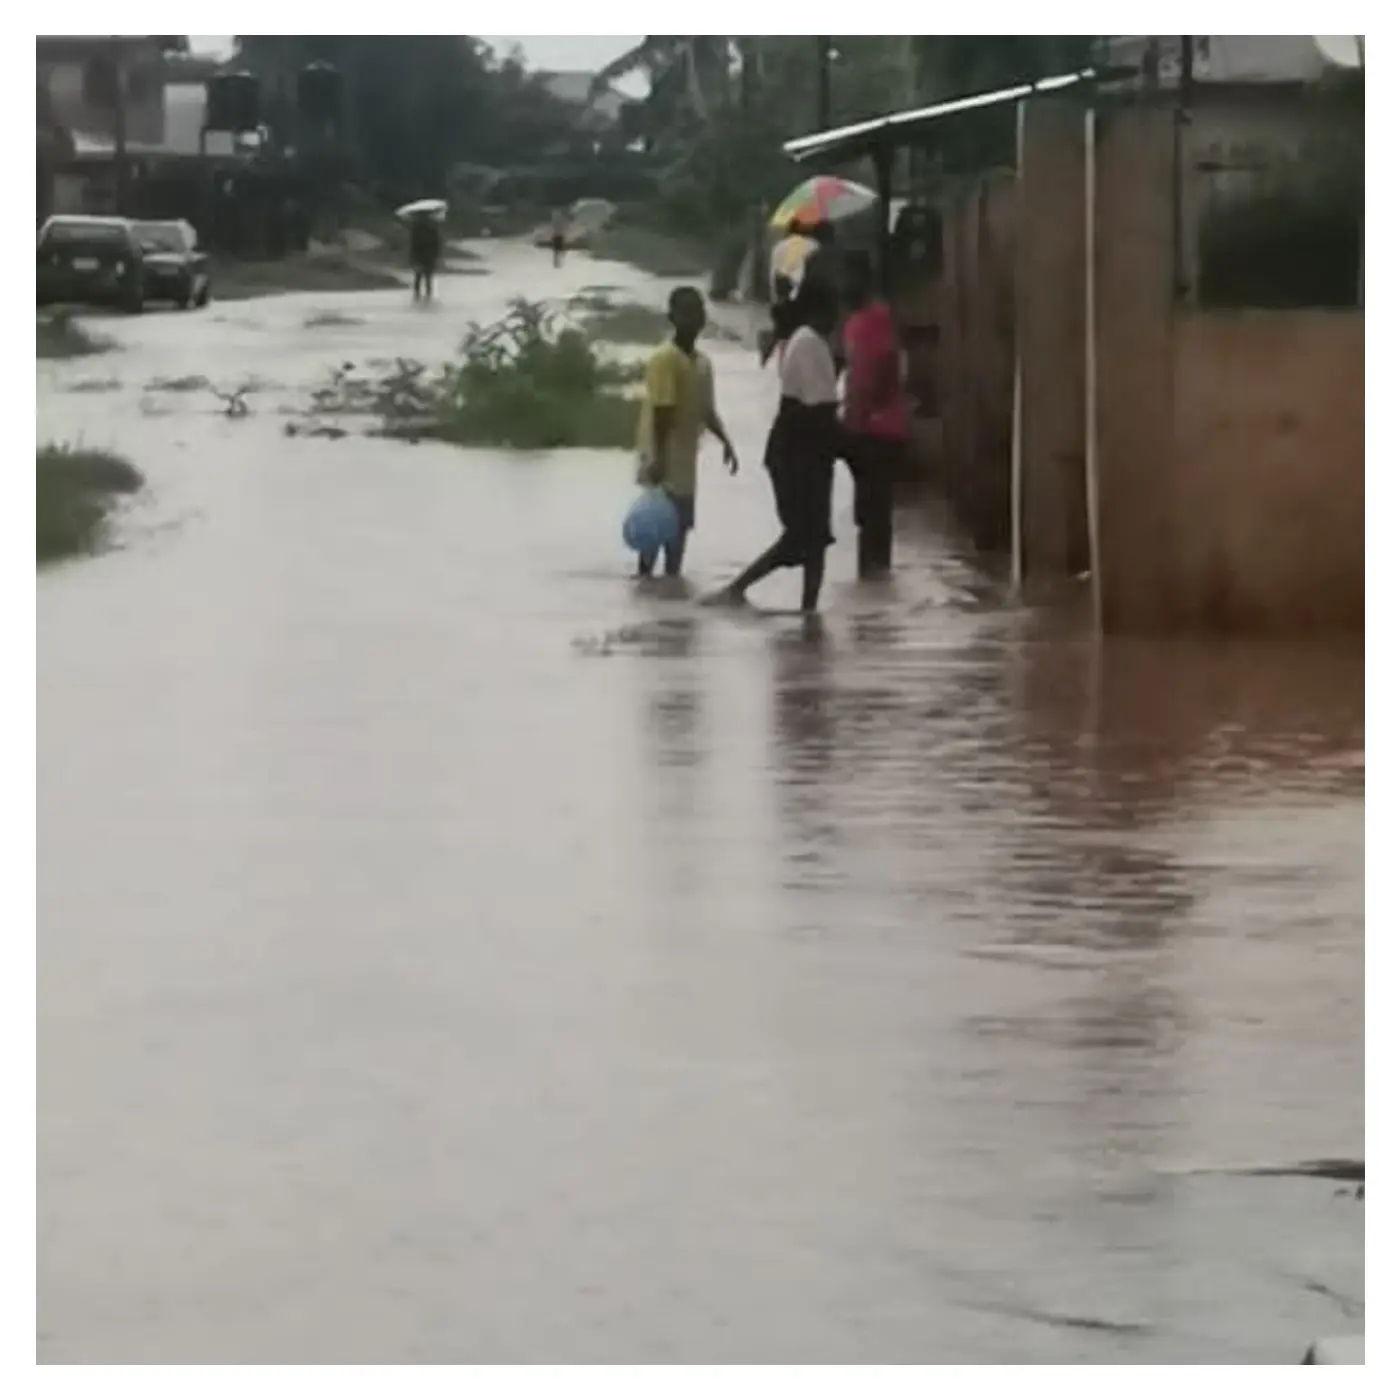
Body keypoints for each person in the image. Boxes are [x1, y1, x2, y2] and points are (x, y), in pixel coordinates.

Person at [712, 278, 841, 614]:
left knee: (815, 538)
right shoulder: (809, 344)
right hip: (799, 453)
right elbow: (819, 409)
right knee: (804, 536)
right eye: (833, 310)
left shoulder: (808, 342)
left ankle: (808, 612)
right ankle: (738, 588)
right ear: (819, 310)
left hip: (805, 451)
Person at [635, 286, 738, 579]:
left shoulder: (703, 364)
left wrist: (726, 442)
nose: (693, 319)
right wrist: (658, 459)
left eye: (698, 312)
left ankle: (668, 592)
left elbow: (706, 410)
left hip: (685, 463)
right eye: (686, 313)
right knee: (654, 530)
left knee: (679, 533)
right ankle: (648, 588)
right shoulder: (664, 359)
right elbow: (662, 411)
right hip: (661, 459)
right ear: (672, 317)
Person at [841, 250, 908, 578]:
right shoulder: (853, 322)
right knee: (867, 516)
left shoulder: (878, 317)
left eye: (848, 280)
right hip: (862, 429)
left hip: (881, 430)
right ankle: (873, 592)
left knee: (876, 515)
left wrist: (866, 411)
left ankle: (876, 580)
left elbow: (884, 366)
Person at [761, 217, 818, 369]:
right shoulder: (814, 246)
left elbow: (773, 277)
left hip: (784, 300)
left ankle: (785, 373)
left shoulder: (779, 248)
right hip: (806, 303)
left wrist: (775, 304)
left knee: (785, 344)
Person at [409, 212, 441, 301]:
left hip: (422, 255)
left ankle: (418, 295)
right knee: (426, 277)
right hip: (427, 256)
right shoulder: (432, 229)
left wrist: (413, 257)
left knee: (420, 277)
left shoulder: (416, 229)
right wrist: (436, 256)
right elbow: (436, 244)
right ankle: (426, 295)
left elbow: (413, 245)